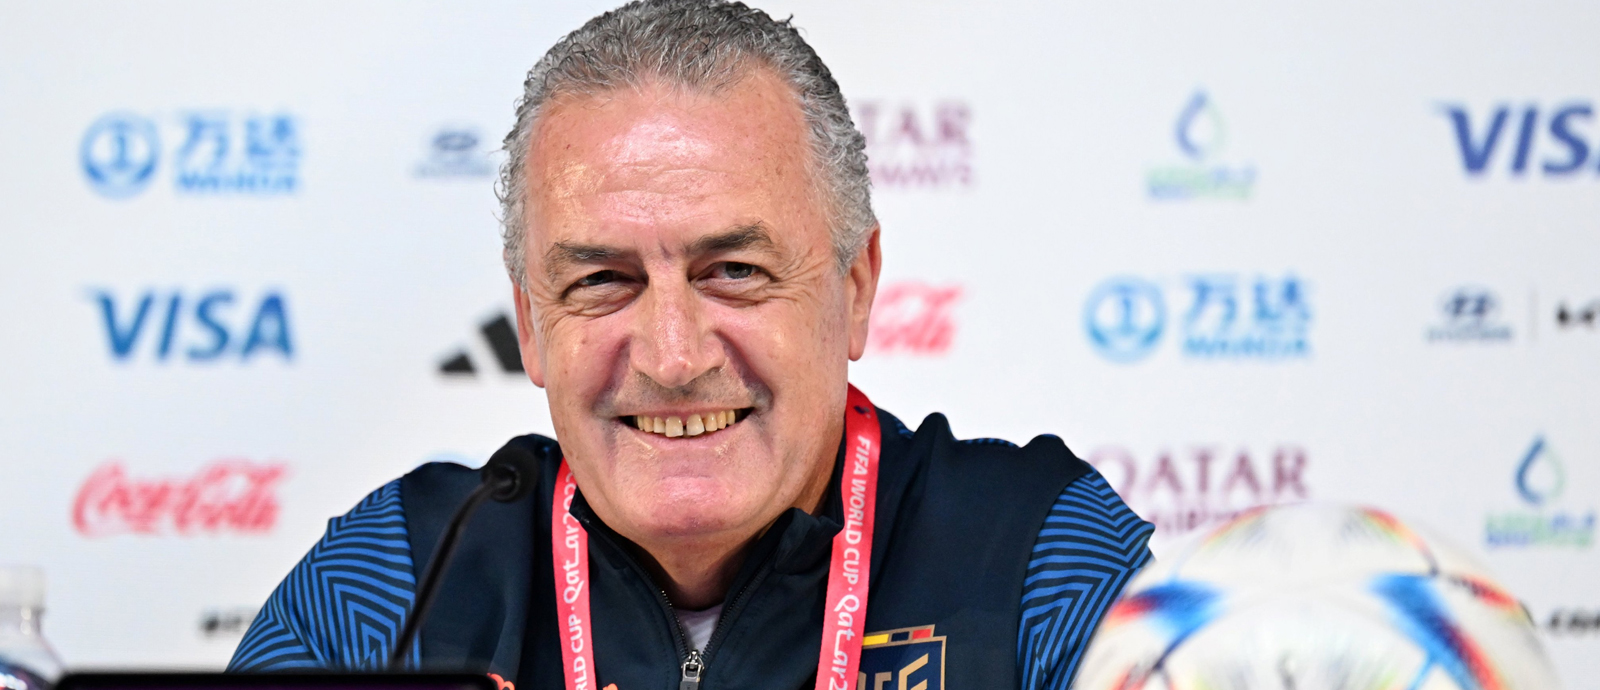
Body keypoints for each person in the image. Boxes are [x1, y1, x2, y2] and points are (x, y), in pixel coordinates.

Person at [228, 1, 1153, 688]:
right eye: (603, 280)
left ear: (855, 287)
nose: (672, 358)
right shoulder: (400, 579)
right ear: (532, 326)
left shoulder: (1041, 556)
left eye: (733, 271)